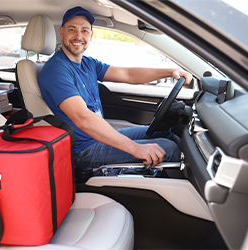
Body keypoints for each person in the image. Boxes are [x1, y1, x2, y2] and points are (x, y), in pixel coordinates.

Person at [39, 6, 192, 169]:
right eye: (72, 29)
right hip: (83, 150)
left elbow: (127, 74)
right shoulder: (56, 69)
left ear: (91, 35)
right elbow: (82, 118)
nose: (78, 36)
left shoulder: (88, 63)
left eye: (84, 31)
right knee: (168, 149)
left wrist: (171, 71)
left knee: (166, 132)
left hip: (99, 137)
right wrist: (135, 148)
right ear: (62, 32)